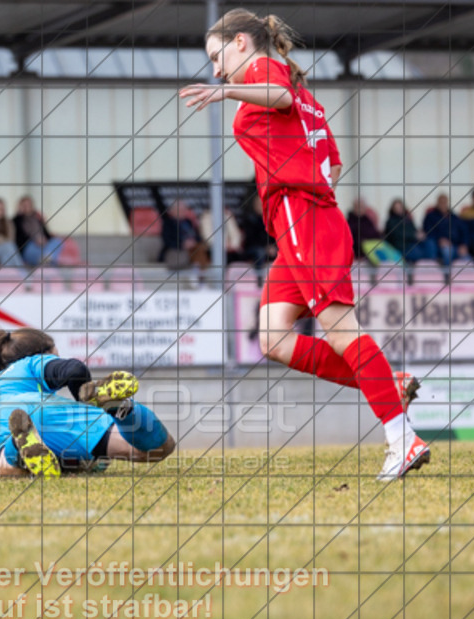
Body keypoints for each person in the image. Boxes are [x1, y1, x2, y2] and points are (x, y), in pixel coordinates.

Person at [180, 8, 429, 480]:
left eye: (216, 57)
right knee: (272, 336)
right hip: (303, 222)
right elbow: (332, 164)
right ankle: (388, 383)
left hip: (303, 219)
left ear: (239, 42)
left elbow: (276, 95)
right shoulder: (306, 97)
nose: (214, 69)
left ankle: (402, 439)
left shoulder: (262, 71)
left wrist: (225, 91)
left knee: (341, 330)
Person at [0, 328, 176, 478]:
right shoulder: (29, 363)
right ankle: (121, 409)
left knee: (5, 468)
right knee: (155, 449)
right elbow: (74, 369)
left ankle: (16, 451)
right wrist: (86, 400)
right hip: (39, 413)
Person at [159, 199, 212, 272]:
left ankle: (198, 271)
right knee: (199, 251)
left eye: (184, 209)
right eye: (180, 210)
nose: (182, 212)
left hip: (193, 248)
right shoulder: (168, 223)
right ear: (173, 211)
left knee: (201, 247)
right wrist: (182, 244)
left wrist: (193, 241)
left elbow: (197, 236)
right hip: (178, 249)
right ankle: (199, 273)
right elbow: (167, 240)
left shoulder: (188, 222)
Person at [13, 196, 64, 266]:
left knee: (57, 242)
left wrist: (45, 239)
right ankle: (48, 261)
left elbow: (47, 234)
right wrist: (35, 240)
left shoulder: (38, 218)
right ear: (20, 206)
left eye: (28, 205)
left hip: (43, 246)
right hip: (29, 246)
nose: (26, 207)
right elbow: (18, 239)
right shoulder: (16, 220)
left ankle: (47, 259)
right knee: (45, 256)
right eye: (24, 205)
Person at [422, 194, 470, 266]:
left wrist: (463, 244)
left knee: (468, 259)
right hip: (439, 246)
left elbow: (464, 232)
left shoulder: (454, 217)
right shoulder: (430, 216)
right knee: (447, 251)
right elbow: (428, 232)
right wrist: (440, 239)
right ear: (437, 203)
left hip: (456, 245)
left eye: (445, 202)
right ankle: (447, 275)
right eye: (441, 202)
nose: (443, 204)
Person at [384, 198, 437, 262]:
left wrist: (419, 234)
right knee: (419, 252)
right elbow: (397, 235)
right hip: (401, 247)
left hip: (412, 243)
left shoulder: (407, 219)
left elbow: (413, 229)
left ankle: (430, 265)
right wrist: (414, 235)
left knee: (430, 243)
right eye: (396, 207)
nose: (398, 209)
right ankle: (426, 266)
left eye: (400, 207)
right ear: (393, 209)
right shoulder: (390, 222)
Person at [236, 193, 276, 268]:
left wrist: (274, 247)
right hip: (253, 249)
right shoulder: (249, 220)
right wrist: (266, 247)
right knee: (260, 252)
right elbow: (251, 240)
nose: (260, 206)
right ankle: (259, 278)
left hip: (269, 248)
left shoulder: (271, 220)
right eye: (258, 203)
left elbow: (275, 237)